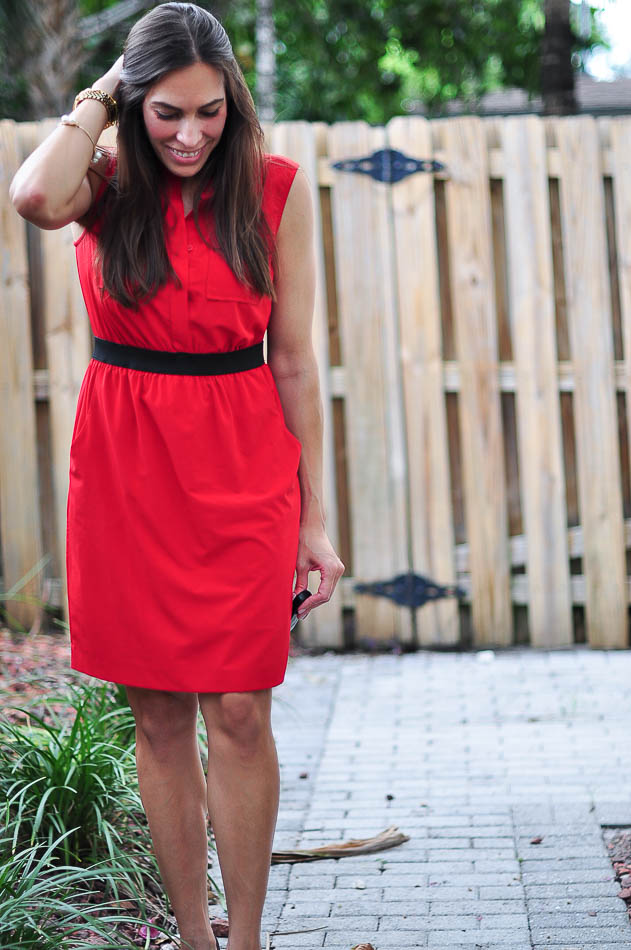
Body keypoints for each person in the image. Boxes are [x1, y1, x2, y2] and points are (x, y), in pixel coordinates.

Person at [10, 4, 344, 950]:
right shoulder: (104, 186)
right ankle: (192, 943)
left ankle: (242, 943)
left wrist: (313, 520)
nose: (191, 133)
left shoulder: (275, 189)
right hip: (124, 467)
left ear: (232, 104)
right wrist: (100, 96)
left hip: (241, 461)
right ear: (133, 107)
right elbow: (32, 196)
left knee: (239, 709)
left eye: (208, 111)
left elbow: (296, 362)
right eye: (166, 111)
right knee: (158, 720)